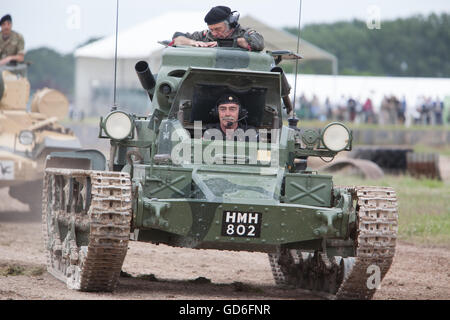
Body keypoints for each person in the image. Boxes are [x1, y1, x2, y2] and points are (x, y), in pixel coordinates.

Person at [172, 6, 264, 51]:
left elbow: (258, 43)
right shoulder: (205, 36)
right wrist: (193, 42)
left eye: (218, 29)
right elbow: (177, 38)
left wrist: (223, 43)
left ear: (231, 23)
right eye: (211, 29)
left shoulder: (245, 33)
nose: (214, 33)